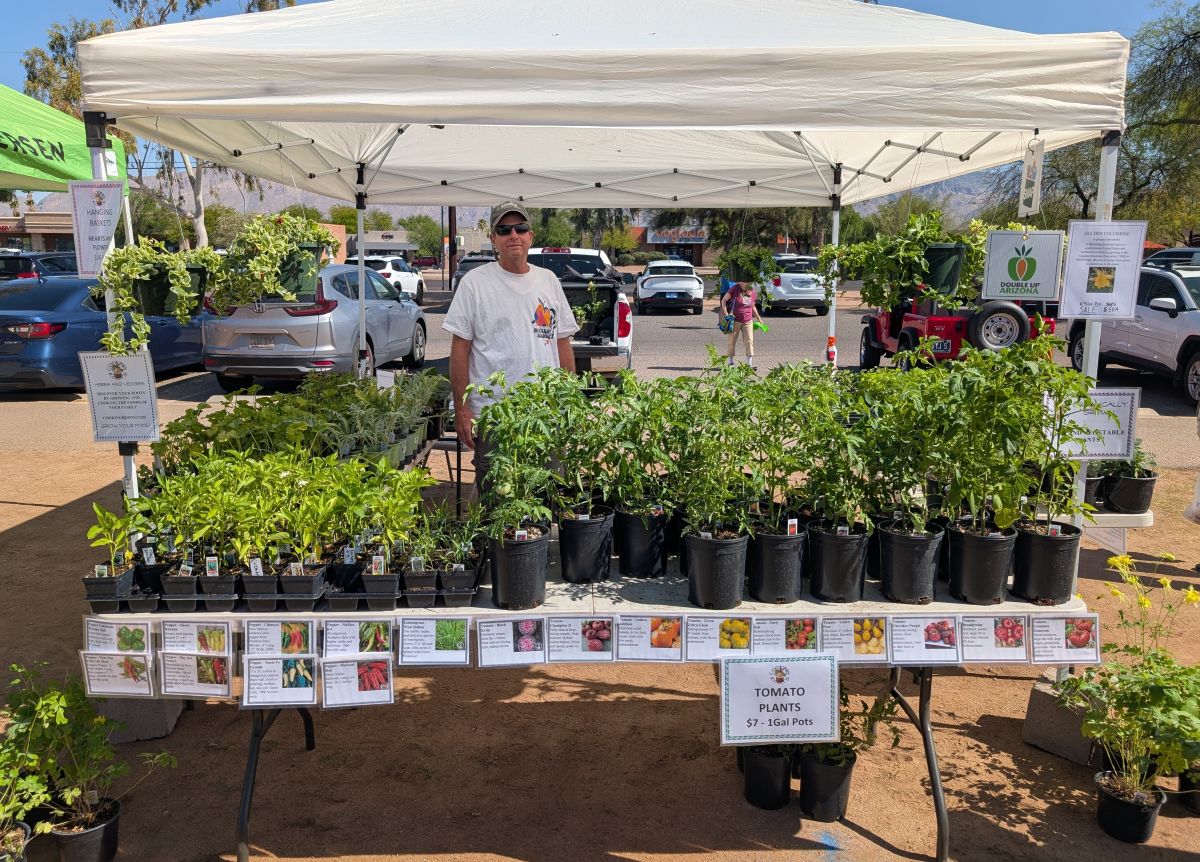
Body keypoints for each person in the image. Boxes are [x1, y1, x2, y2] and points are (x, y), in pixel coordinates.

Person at [442, 201, 579, 488]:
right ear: (493, 239)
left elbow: (562, 343)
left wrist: (570, 403)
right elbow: (459, 350)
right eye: (504, 230)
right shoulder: (475, 283)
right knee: (498, 502)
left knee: (548, 492)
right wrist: (463, 410)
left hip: (547, 413)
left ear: (531, 235)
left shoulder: (549, 281)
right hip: (494, 416)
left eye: (521, 228)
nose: (513, 235)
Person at [720, 278, 765, 367]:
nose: (748, 283)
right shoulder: (735, 289)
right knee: (732, 340)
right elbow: (724, 300)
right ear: (740, 282)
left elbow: (753, 307)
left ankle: (749, 364)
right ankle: (731, 362)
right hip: (735, 320)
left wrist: (759, 319)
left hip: (748, 320)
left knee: (749, 341)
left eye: (749, 281)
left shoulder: (752, 291)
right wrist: (726, 315)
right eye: (745, 281)